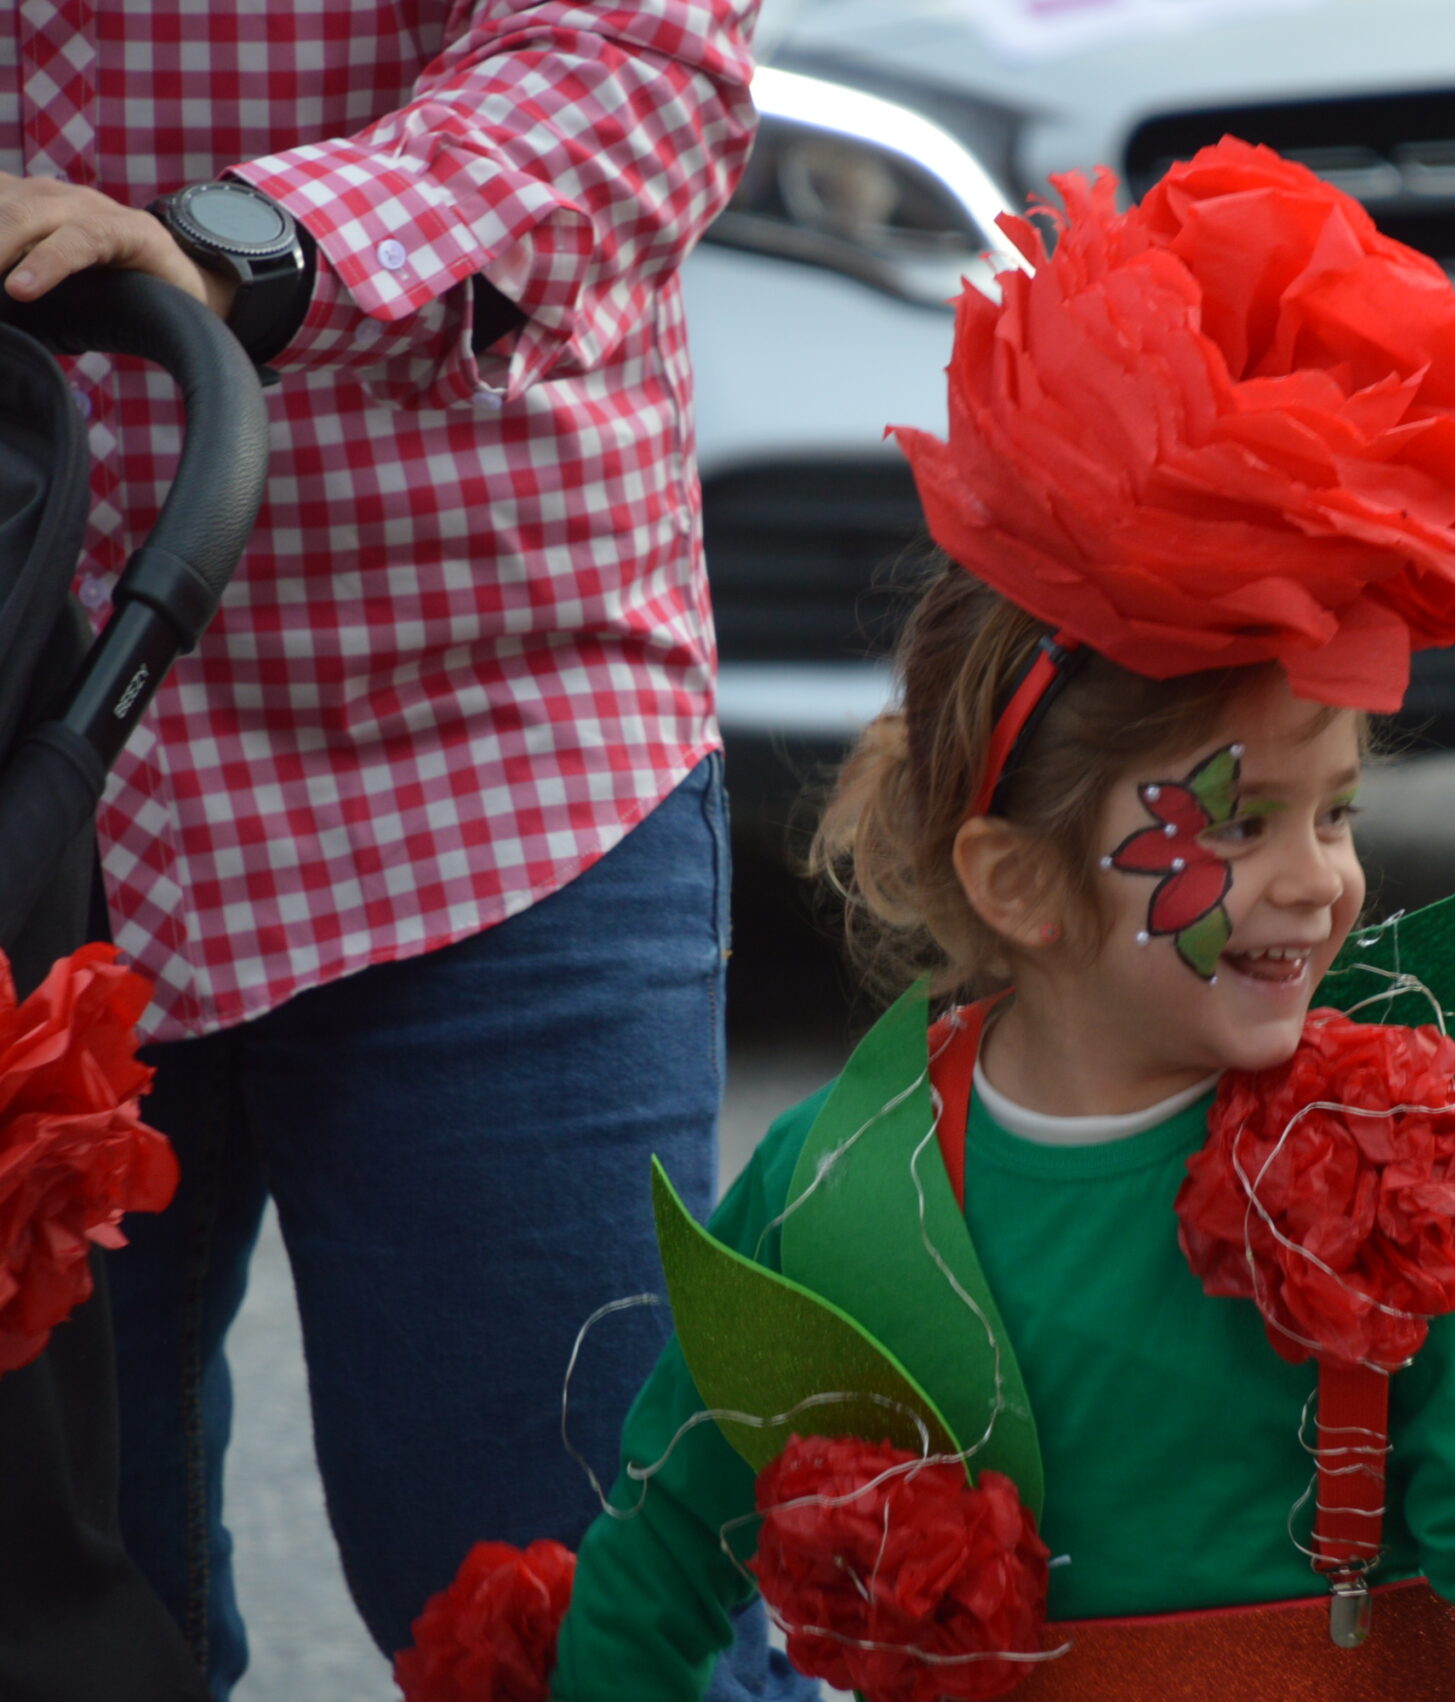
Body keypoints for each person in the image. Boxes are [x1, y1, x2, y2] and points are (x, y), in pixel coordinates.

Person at [470, 139, 1455, 1702]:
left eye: (1335, 812)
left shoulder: (1388, 1179)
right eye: (1238, 824)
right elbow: (656, 1562)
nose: (1316, 876)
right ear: (1017, 882)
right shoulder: (846, 1186)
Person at [0, 4, 799, 1696]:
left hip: (466, 763)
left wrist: (238, 247)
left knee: (587, 1622)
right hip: (20, 781)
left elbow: (634, 63)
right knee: (47, 1629)